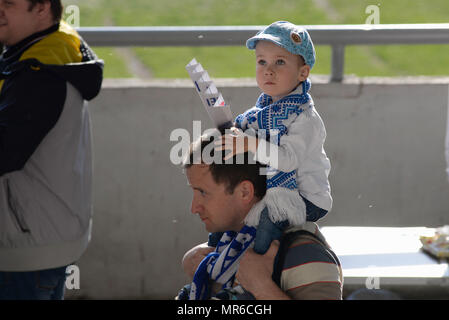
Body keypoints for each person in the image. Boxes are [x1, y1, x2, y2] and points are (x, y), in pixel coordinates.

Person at [0, 0, 103, 300]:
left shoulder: (38, 73)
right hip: (42, 238)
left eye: (9, 3)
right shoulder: (51, 47)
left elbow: (5, 153)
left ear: (42, 9)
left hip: (26, 249)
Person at [212, 21, 332, 255]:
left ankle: (257, 275)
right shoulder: (260, 114)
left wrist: (248, 143)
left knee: (268, 220)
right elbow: (248, 142)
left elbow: (287, 160)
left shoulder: (305, 117)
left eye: (280, 62)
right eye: (262, 61)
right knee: (226, 212)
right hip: (269, 188)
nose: (268, 70)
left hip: (305, 197)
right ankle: (216, 264)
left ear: (303, 72)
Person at [178, 133, 342, 300]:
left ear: (245, 192)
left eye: (203, 192)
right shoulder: (223, 251)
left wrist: (262, 288)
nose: (194, 207)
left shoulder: (304, 253)